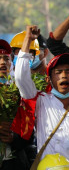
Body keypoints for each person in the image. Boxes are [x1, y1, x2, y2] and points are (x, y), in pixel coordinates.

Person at [15, 25, 69, 169]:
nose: (63, 75)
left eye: (68, 71)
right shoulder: (41, 102)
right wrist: (28, 40)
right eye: (58, 72)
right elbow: (21, 78)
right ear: (49, 80)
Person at [0, 39, 32, 170]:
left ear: (11, 63)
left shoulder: (19, 93)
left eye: (6, 59)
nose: (2, 62)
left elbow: (29, 134)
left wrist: (14, 137)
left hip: (14, 163)